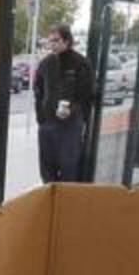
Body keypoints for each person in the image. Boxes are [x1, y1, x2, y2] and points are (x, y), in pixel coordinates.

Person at [33, 24, 94, 183]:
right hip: (47, 125)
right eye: (50, 41)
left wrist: (72, 111)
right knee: (47, 170)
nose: (52, 44)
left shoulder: (80, 63)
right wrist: (40, 118)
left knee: (69, 169)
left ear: (67, 41)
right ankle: (50, 202)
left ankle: (65, 203)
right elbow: (38, 91)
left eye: (56, 40)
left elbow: (86, 95)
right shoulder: (45, 64)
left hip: (70, 127)